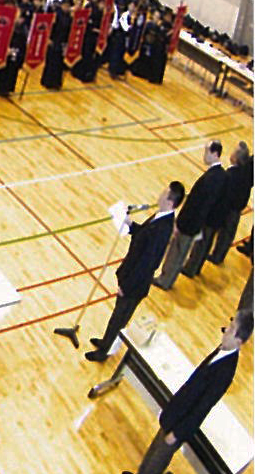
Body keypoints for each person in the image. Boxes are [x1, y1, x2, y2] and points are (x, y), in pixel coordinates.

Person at [114, 310, 253, 474]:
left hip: (181, 423)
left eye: (231, 328)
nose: (226, 330)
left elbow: (201, 409)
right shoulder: (222, 350)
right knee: (154, 450)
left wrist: (178, 432)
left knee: (158, 461)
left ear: (239, 340)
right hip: (175, 412)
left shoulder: (226, 371)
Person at [85, 182, 184, 363]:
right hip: (132, 277)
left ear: (170, 201)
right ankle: (106, 342)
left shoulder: (163, 228)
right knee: (117, 316)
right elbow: (144, 236)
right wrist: (131, 225)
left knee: (120, 318)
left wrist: (126, 285)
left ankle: (104, 352)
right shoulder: (160, 217)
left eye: (164, 192)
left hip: (135, 284)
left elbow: (147, 263)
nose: (160, 194)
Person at [154, 141, 226, 290]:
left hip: (190, 222)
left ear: (214, 154)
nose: (204, 155)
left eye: (206, 152)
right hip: (197, 221)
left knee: (177, 252)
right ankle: (171, 277)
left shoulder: (211, 179)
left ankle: (165, 280)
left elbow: (197, 204)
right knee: (181, 252)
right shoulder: (220, 175)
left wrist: (180, 222)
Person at [210, 142, 252, 266]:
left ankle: (218, 256)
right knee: (226, 231)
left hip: (234, 205)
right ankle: (218, 254)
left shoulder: (236, 173)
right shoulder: (243, 169)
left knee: (226, 232)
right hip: (236, 203)